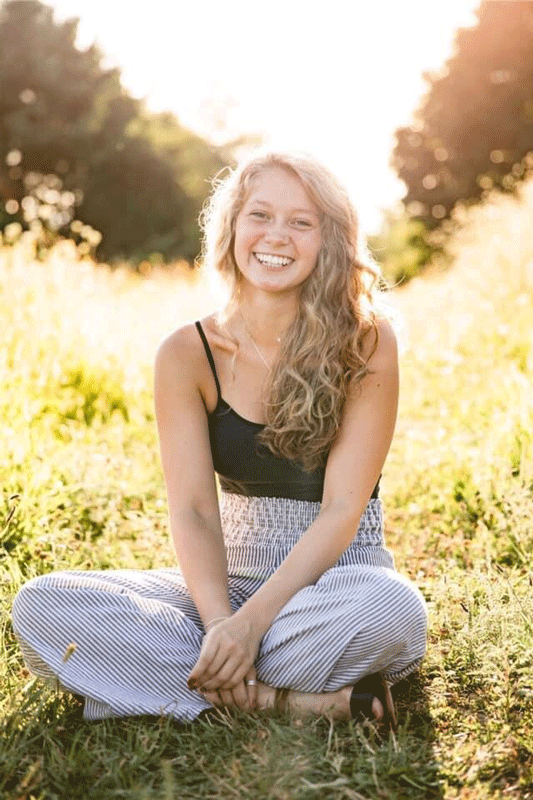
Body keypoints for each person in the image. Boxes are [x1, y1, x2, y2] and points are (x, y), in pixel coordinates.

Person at [11, 150, 427, 729]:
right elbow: (193, 510)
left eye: (301, 222)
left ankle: (184, 682)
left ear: (329, 240)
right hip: (224, 583)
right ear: (231, 226)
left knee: (392, 609)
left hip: (337, 578)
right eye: (260, 214)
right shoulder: (186, 353)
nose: (275, 236)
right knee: (42, 606)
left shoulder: (367, 340)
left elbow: (341, 511)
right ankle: (287, 700)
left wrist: (251, 627)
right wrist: (220, 626)